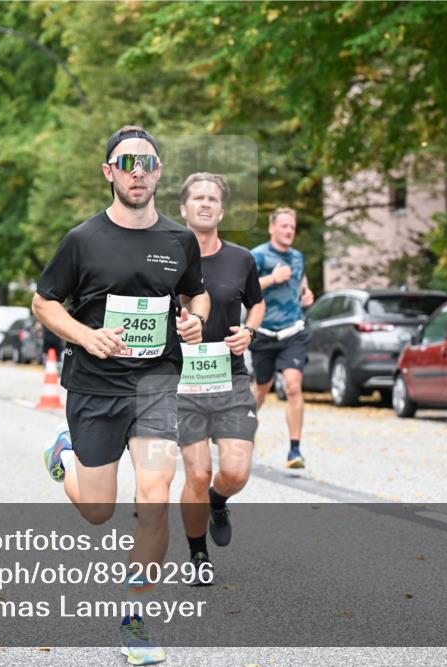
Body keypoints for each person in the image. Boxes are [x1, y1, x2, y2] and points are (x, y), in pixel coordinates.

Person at [33, 125, 209, 665]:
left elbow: (196, 294)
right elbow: (44, 303)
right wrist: (85, 335)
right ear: (108, 172)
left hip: (157, 384)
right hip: (94, 385)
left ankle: (135, 619)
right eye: (127, 162)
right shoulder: (82, 240)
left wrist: (196, 321)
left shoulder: (179, 241)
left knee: (154, 499)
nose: (139, 171)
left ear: (159, 173)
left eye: (148, 163)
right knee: (97, 511)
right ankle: (65, 454)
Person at [175, 173, 265, 583]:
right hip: (184, 383)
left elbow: (257, 305)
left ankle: (218, 501)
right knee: (195, 473)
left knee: (235, 473)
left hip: (229, 379)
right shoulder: (166, 258)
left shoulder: (241, 259)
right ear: (183, 208)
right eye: (198, 197)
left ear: (222, 210)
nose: (205, 203)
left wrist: (249, 331)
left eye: (213, 198)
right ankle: (198, 556)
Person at [249, 207, 315, 468]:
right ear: (272, 228)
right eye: (284, 226)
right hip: (264, 331)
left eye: (292, 227)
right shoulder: (258, 255)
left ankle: (295, 451)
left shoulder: (298, 257)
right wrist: (272, 278)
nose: (289, 231)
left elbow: (301, 283)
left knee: (293, 385)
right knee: (261, 389)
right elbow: (247, 286)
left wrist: (306, 294)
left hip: (292, 331)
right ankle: (244, 436)